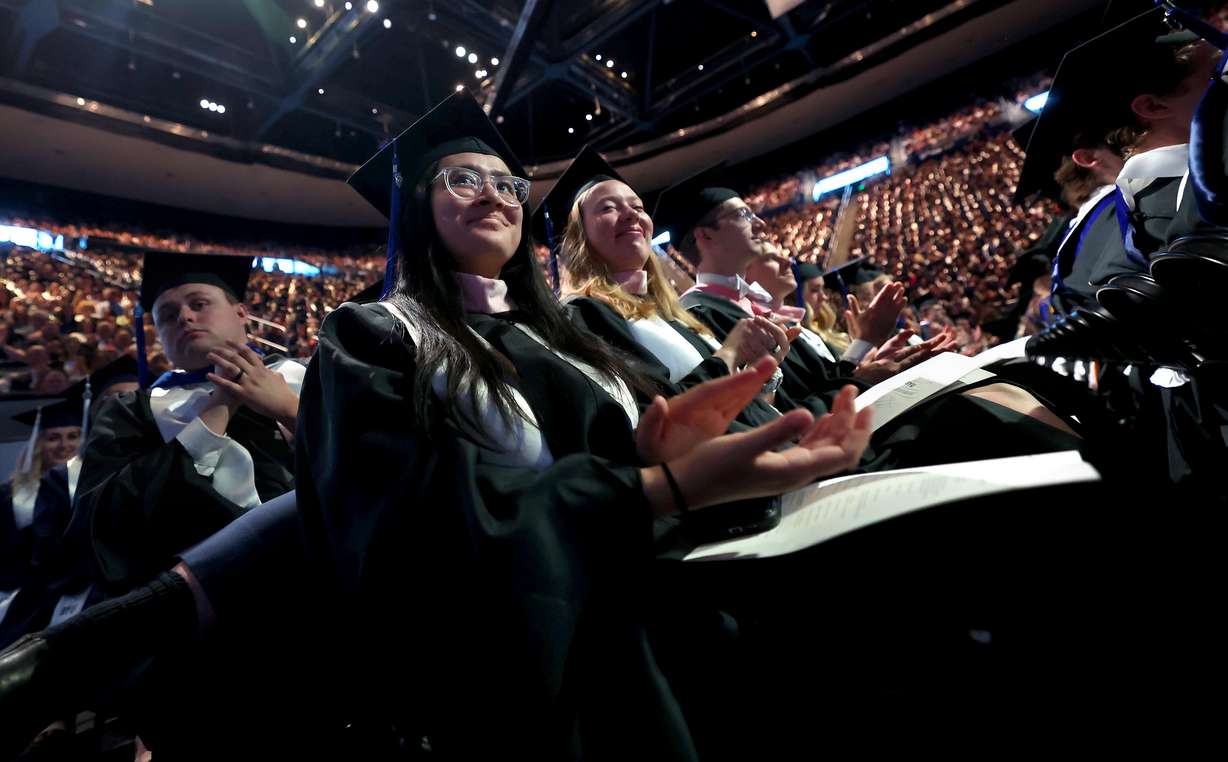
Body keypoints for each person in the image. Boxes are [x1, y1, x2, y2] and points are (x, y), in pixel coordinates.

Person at [296, 91, 873, 758]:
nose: (492, 196)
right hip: (544, 665)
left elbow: (622, 456)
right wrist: (654, 488)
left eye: (507, 185)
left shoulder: (562, 338)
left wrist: (657, 452)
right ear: (417, 206)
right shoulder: (373, 335)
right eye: (462, 179)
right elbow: (410, 533)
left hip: (665, 593)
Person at [71, 251, 302, 592]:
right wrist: (215, 413)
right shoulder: (133, 411)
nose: (184, 317)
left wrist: (291, 411)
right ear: (159, 335)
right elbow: (100, 522)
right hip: (205, 599)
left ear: (242, 313)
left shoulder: (306, 376)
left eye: (199, 303)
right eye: (167, 315)